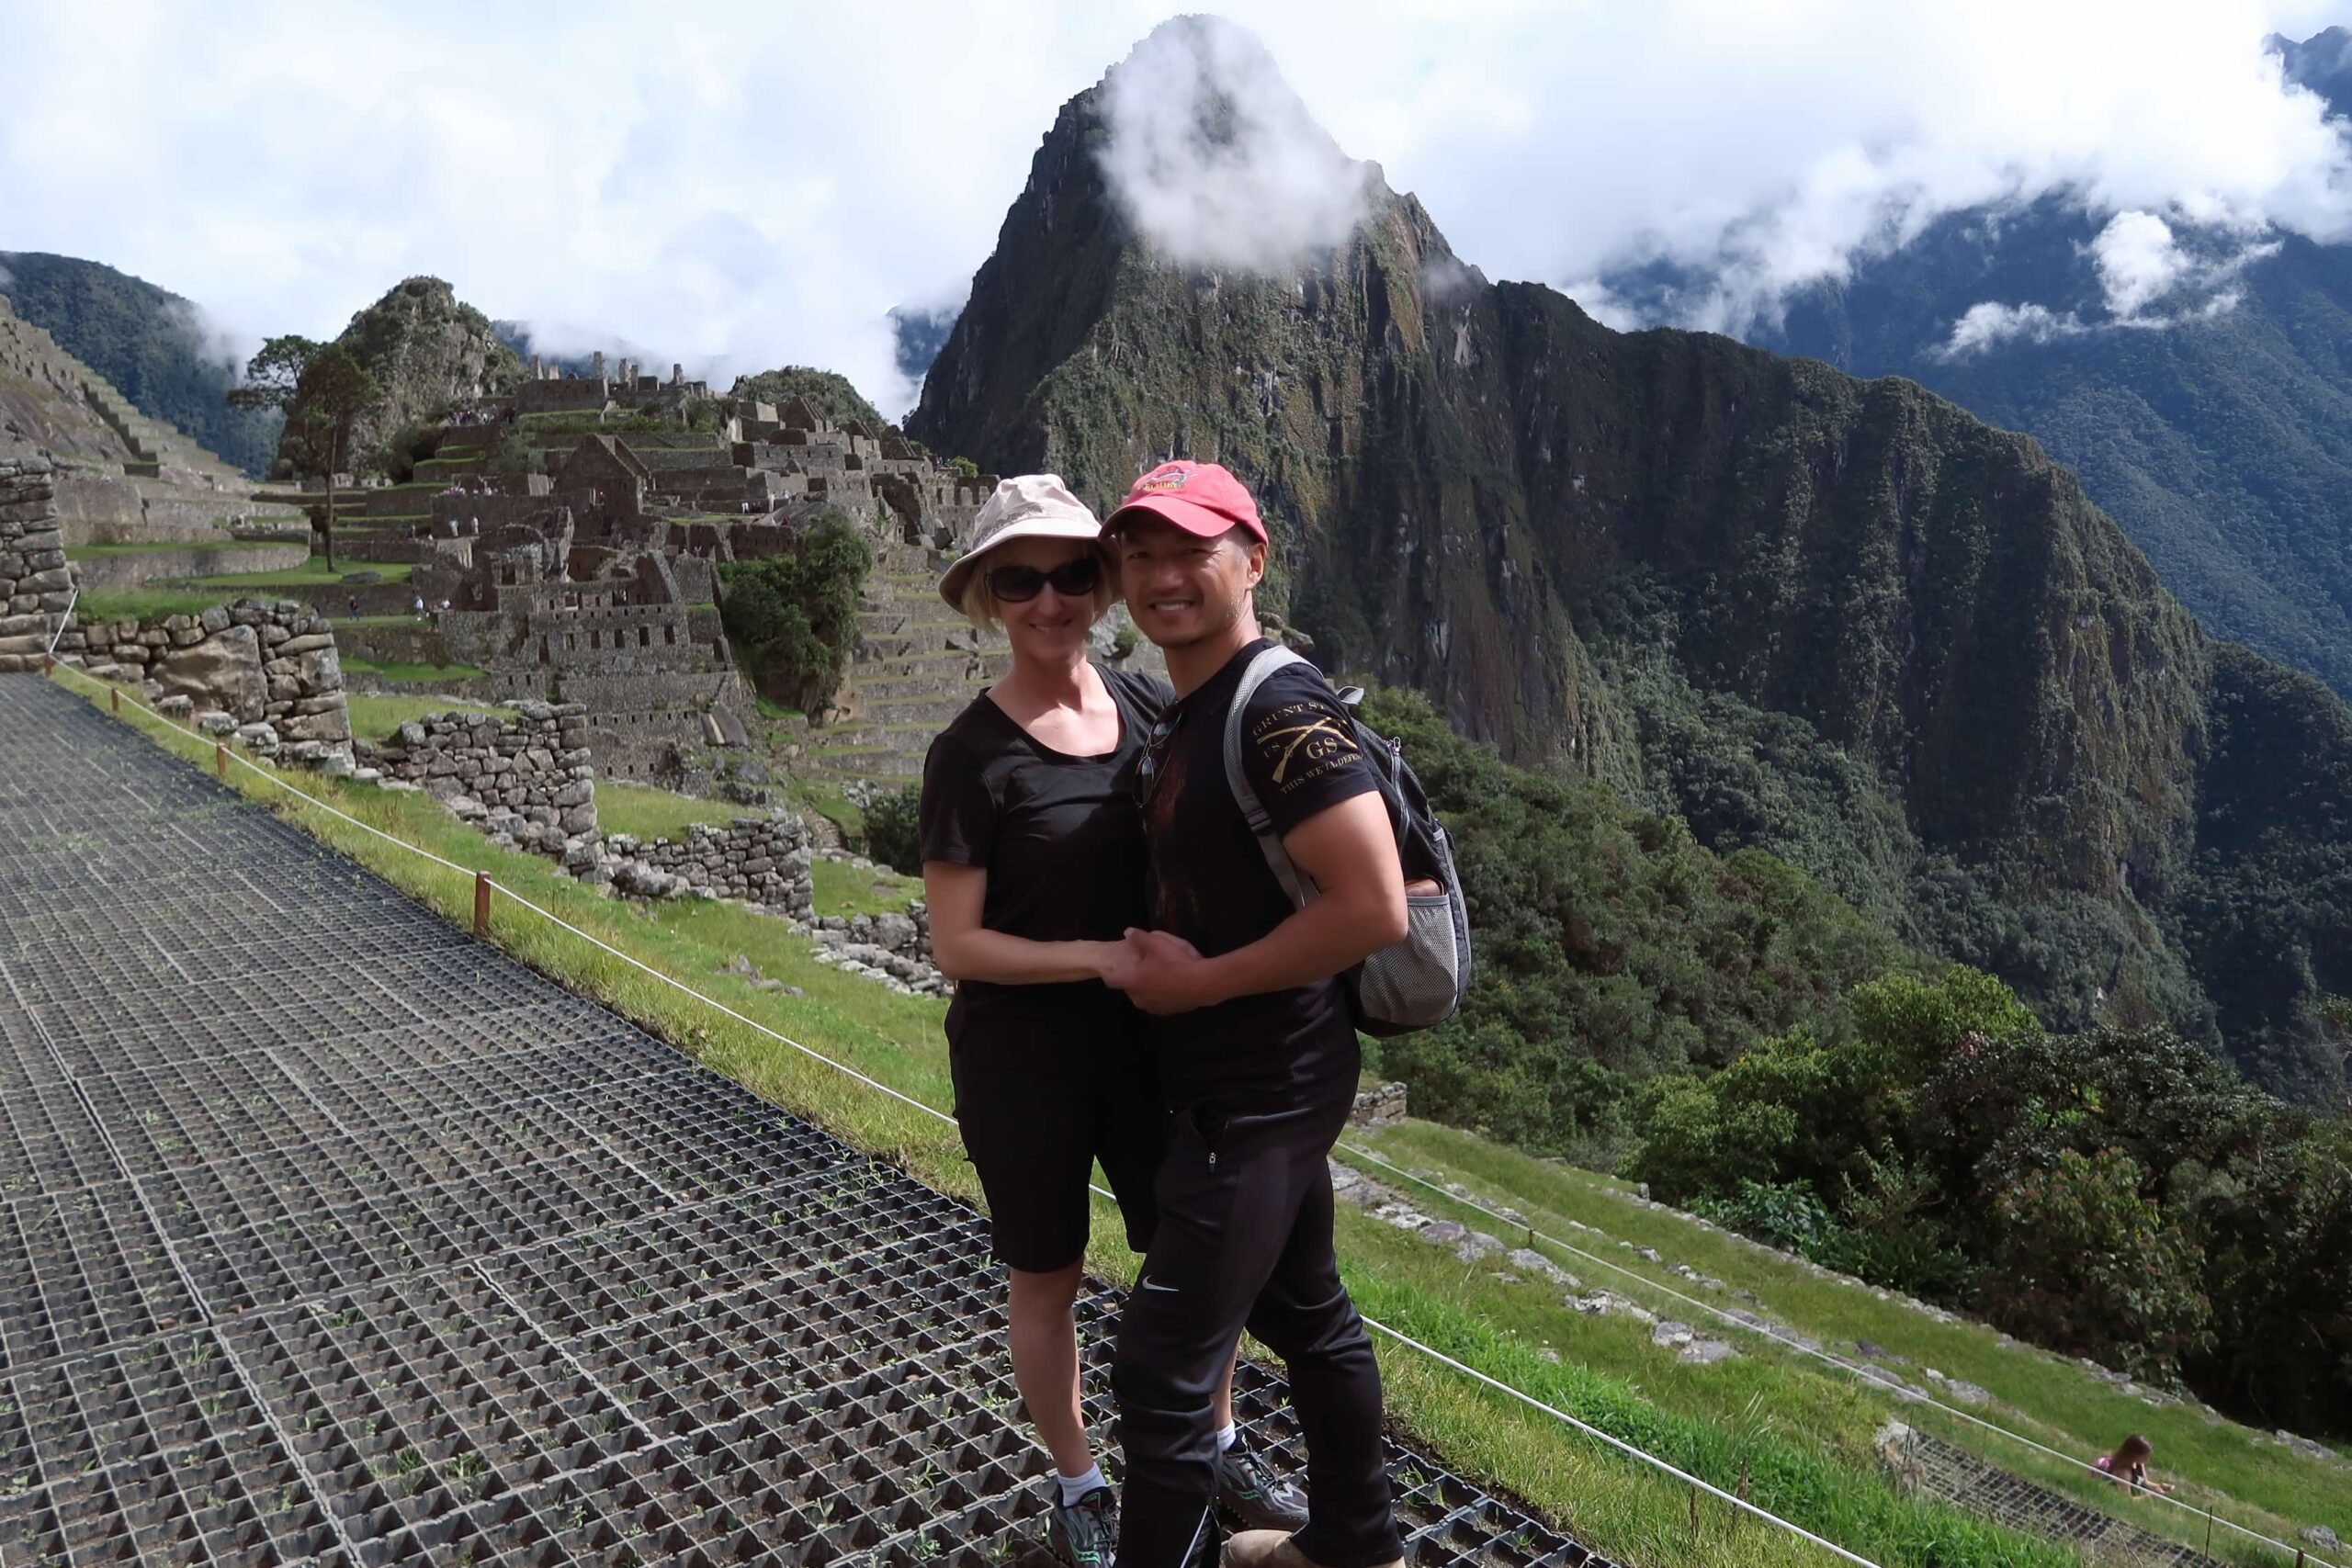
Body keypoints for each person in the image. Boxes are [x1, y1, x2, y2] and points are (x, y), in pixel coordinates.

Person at [919, 475, 1306, 1568]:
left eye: (1073, 574)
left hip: (1154, 1048)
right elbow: (956, 943)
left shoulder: (1146, 707)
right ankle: (1082, 1480)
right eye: (1020, 580)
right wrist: (1099, 957)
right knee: (1046, 1276)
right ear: (990, 598)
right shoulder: (971, 756)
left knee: (1189, 1261)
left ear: (1101, 585)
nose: (1050, 601)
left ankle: (1216, 1440)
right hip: (1023, 1061)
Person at [1099, 461, 1408, 1568]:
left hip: (1258, 1086)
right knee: (1309, 1316)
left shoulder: (1275, 708)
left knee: (1163, 1376)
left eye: (1191, 550)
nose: (1163, 576)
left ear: (1252, 558)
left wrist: (1198, 985)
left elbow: (1369, 904)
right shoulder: (1196, 704)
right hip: (1250, 1081)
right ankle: (1353, 1550)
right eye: (1140, 554)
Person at [2096, 1435, 2175, 1495]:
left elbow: (2144, 1483)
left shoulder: (2138, 1464)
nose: (2147, 1459)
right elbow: (2126, 1499)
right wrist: (2151, 1496)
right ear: (2134, 1455)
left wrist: (2159, 1486)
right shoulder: (2123, 1473)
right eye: (2145, 1457)